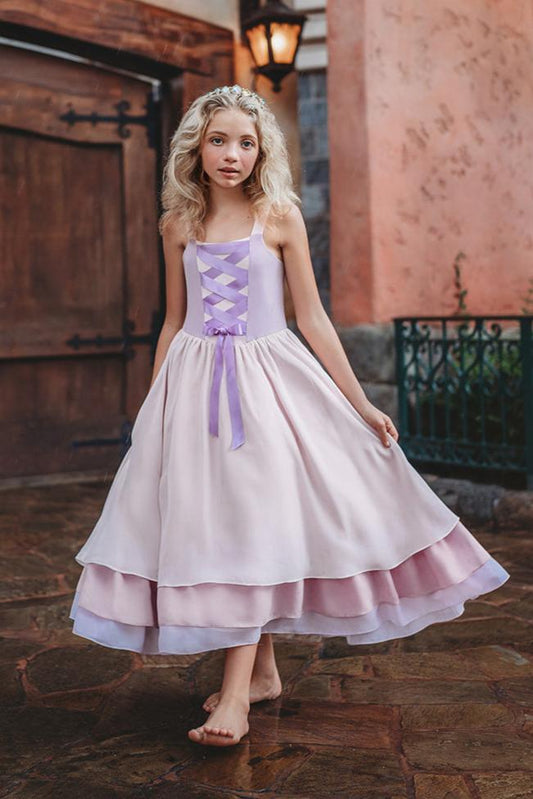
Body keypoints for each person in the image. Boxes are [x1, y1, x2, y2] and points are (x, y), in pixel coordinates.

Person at [69, 84, 510, 748]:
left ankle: (237, 696)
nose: (232, 154)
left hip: (269, 385)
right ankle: (266, 668)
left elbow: (311, 318)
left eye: (246, 142)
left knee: (252, 524)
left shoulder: (278, 216)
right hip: (193, 387)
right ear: (197, 145)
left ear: (260, 151)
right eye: (219, 139)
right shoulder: (177, 223)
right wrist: (154, 406)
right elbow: (174, 320)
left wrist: (359, 402)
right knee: (223, 524)